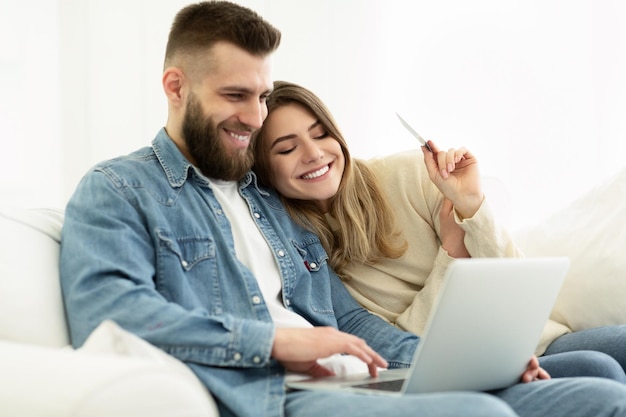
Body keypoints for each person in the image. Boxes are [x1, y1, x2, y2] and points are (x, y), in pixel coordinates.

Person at [60, 2, 626, 417]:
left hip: (361, 380)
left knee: (601, 392)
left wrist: (462, 361)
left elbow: (351, 321)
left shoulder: (269, 203)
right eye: (236, 96)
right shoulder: (117, 188)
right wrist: (278, 341)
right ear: (176, 86)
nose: (255, 117)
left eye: (261, 96)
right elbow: (110, 311)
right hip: (277, 393)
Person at [252, 80, 626, 379]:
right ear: (264, 171)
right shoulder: (303, 252)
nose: (314, 153)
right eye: (287, 149)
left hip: (532, 340)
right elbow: (405, 342)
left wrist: (470, 204)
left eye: (320, 135)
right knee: (599, 370)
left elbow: (512, 278)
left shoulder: (410, 175)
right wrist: (452, 252)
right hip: (460, 371)